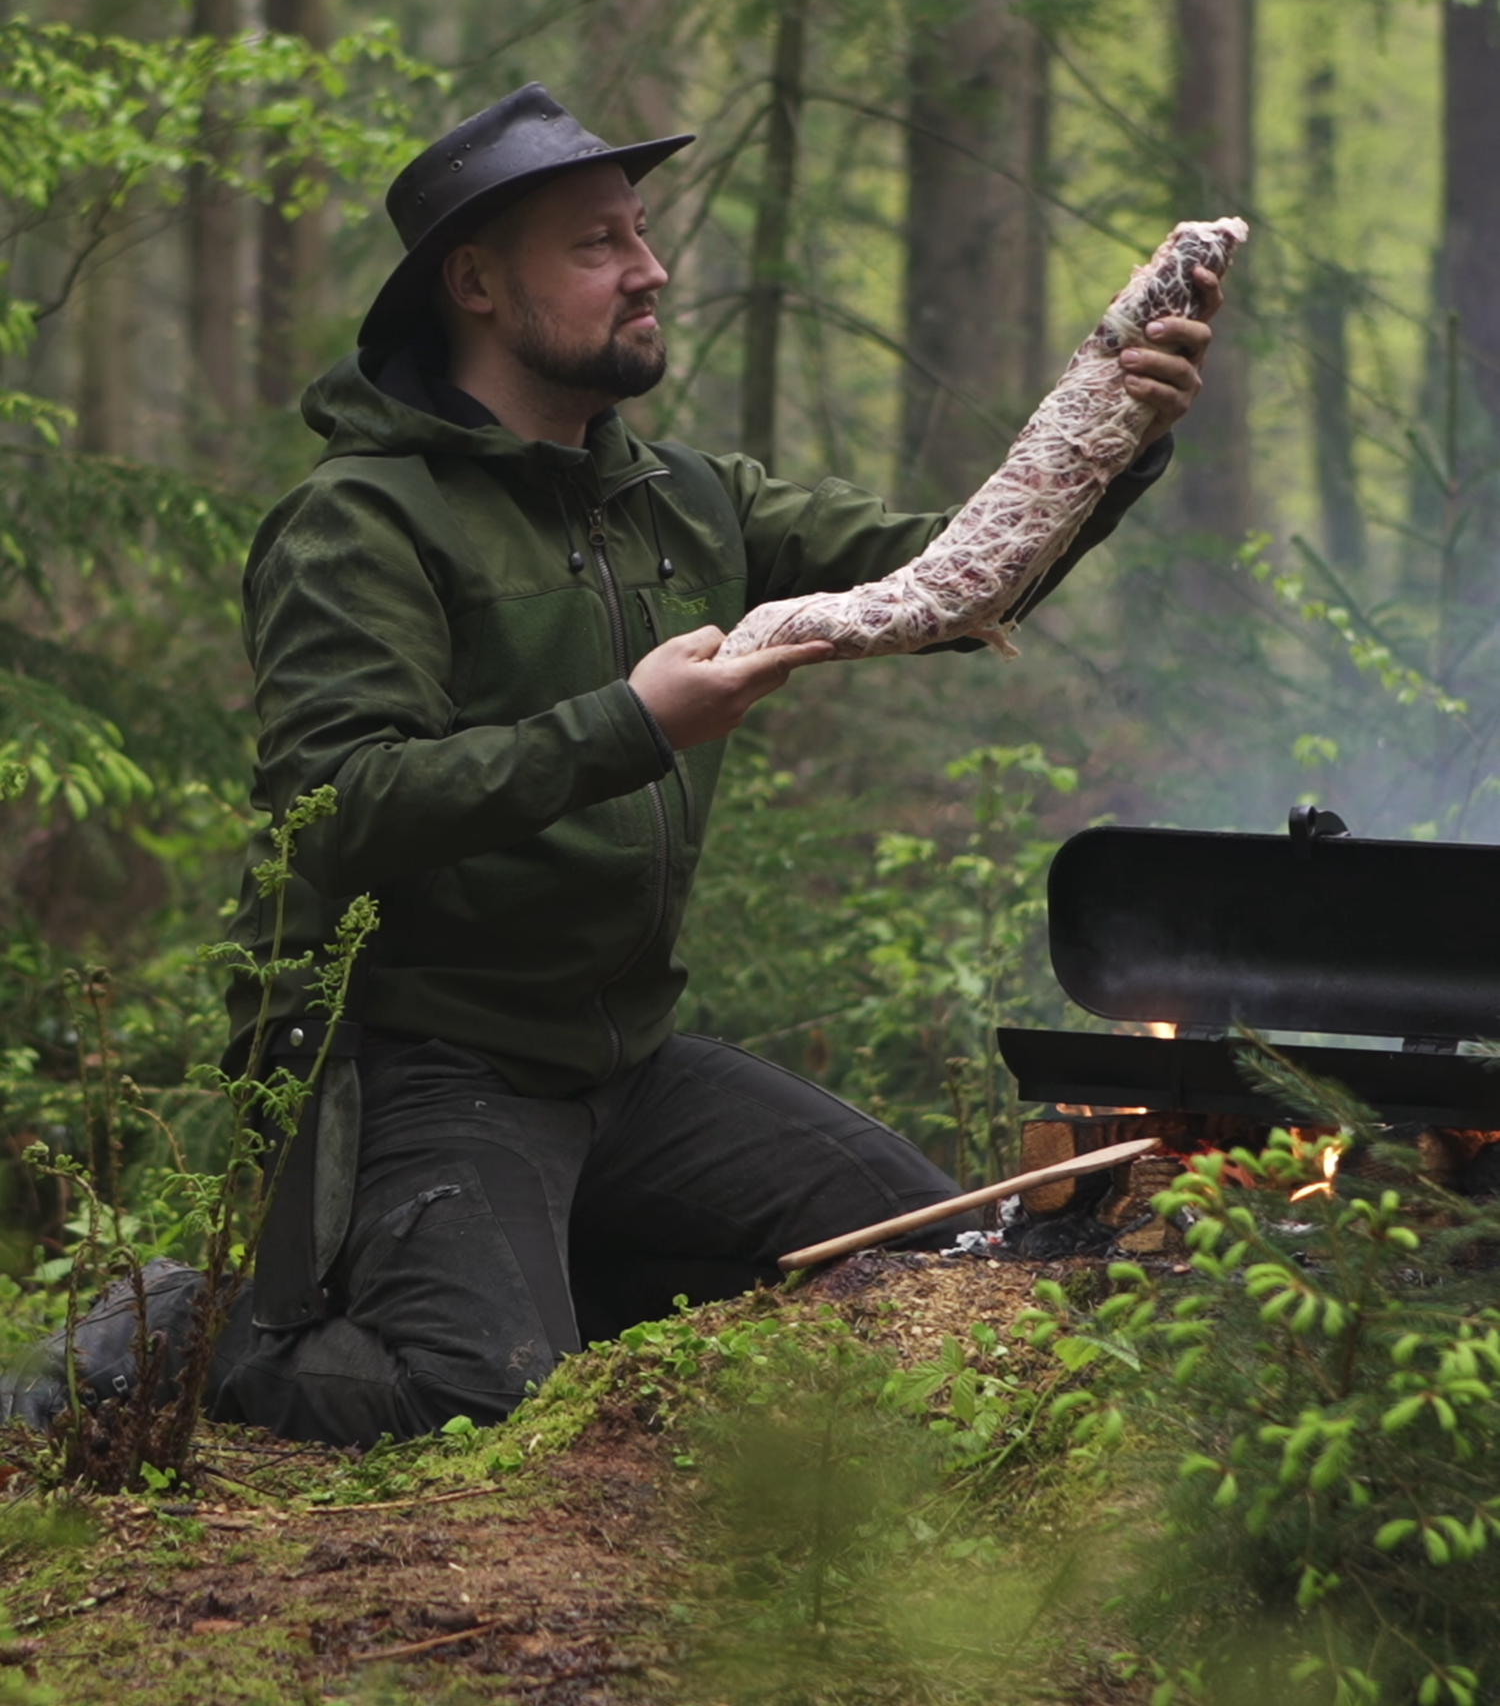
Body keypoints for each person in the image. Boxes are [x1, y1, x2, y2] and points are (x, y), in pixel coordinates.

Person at [1, 86, 1217, 1446]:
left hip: (627, 1063)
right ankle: (191, 1323)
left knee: (950, 1263)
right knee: (476, 1402)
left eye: (640, 233)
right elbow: (338, 808)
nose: (649, 270)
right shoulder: (363, 521)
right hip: (431, 1062)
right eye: (596, 243)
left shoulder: (687, 498)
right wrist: (630, 724)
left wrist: (1115, 442)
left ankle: (554, 1277)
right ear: (473, 282)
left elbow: (942, 581)